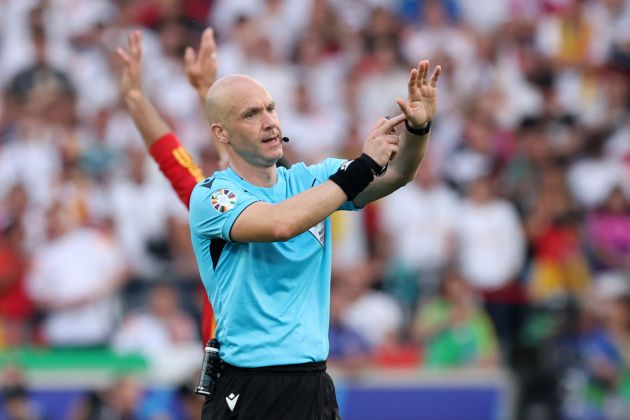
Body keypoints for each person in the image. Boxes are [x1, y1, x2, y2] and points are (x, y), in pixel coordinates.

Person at [186, 49, 440, 420]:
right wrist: (364, 165)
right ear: (220, 132)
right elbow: (278, 224)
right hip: (249, 386)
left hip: (314, 383)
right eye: (251, 114)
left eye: (271, 108)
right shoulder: (212, 195)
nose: (269, 122)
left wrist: (418, 131)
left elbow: (397, 175)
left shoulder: (312, 179)